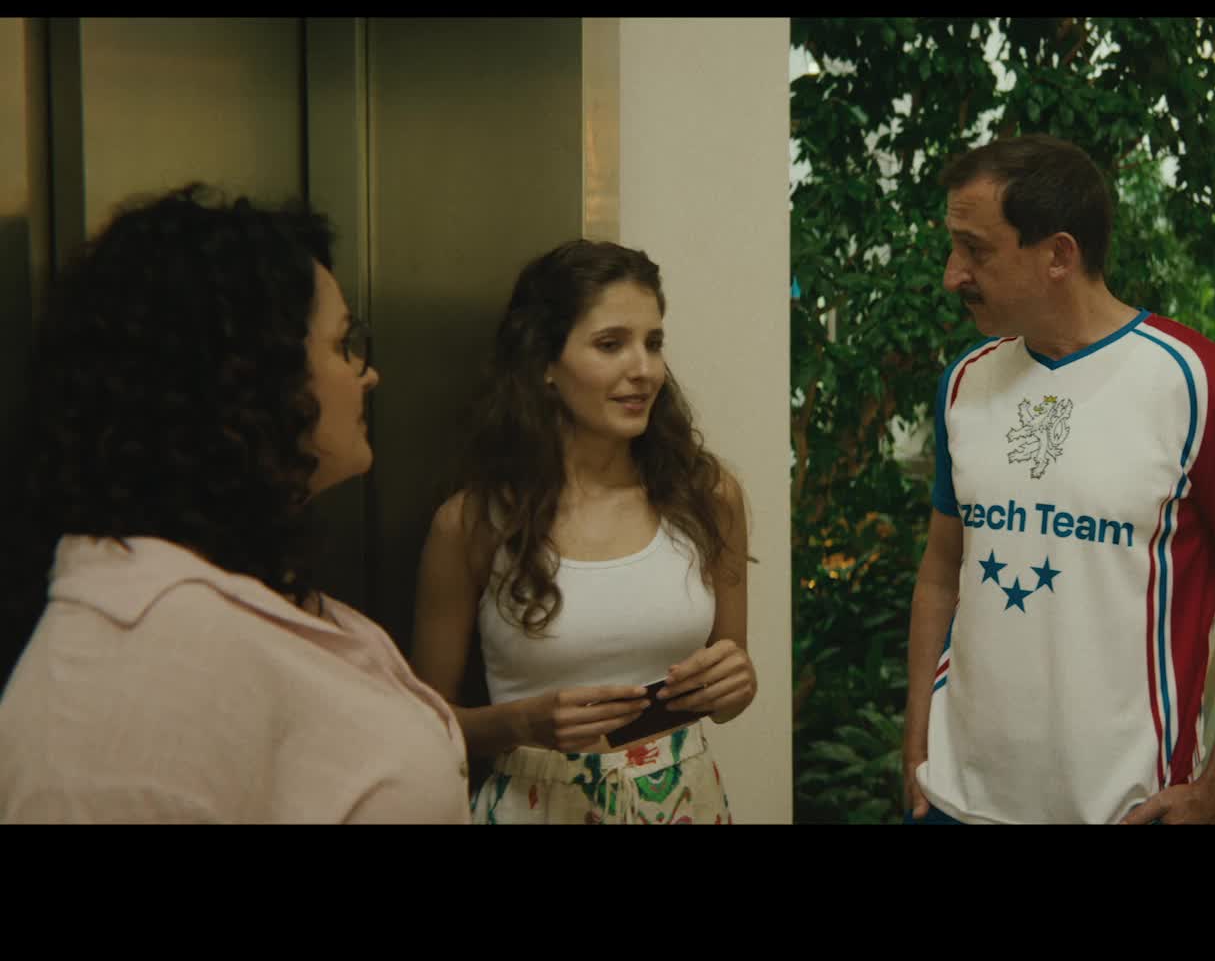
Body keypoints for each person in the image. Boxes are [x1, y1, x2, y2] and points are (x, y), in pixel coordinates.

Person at [0, 185, 469, 823]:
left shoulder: (244, 592)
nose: (367, 373)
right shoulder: (139, 662)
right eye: (341, 344)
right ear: (247, 377)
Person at [903, 134, 1215, 825]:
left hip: (1124, 809)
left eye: (975, 250)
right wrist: (918, 742)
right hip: (955, 799)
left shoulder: (1203, 388)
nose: (953, 275)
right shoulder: (965, 383)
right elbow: (942, 571)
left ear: (1058, 255)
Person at [410, 240, 753, 825]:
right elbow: (422, 726)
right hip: (535, 805)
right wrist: (522, 723)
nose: (644, 370)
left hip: (686, 803)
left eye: (653, 342)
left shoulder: (708, 497)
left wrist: (735, 684)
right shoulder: (473, 523)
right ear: (544, 363)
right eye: (610, 344)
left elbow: (731, 685)